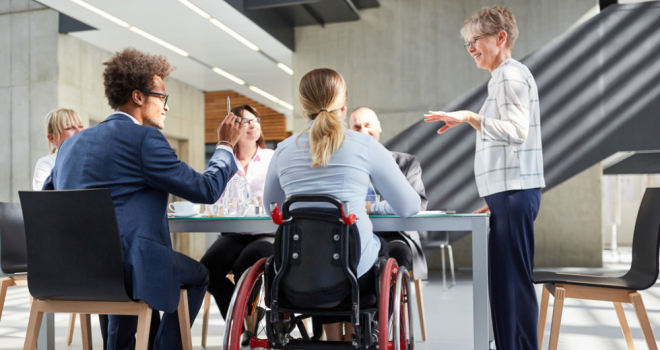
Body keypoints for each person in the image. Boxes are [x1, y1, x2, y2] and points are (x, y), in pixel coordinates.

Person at [43, 48, 243, 350]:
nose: (166, 107)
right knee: (199, 275)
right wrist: (226, 146)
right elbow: (206, 190)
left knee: (122, 269)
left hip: (77, 271)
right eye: (162, 98)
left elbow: (49, 202)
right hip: (129, 268)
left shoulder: (70, 146)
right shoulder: (144, 140)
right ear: (138, 97)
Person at [264, 68, 420, 341]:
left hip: (297, 273)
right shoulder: (365, 145)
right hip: (354, 275)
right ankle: (358, 334)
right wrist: (374, 208)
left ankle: (335, 338)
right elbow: (409, 206)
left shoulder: (283, 150)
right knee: (385, 249)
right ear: (344, 105)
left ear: (303, 108)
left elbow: (272, 209)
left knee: (322, 253)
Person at [424, 7, 545, 350]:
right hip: (506, 194)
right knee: (504, 283)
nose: (471, 48)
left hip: (514, 193)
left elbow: (516, 132)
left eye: (475, 40)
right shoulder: (504, 76)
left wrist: (469, 118)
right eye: (467, 44)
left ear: (500, 37)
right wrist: (493, 198)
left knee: (513, 283)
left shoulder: (508, 74)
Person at [200, 104, 274, 326]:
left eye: (256, 120)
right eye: (245, 121)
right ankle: (239, 324)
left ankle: (251, 326)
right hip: (233, 233)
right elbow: (214, 198)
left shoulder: (271, 158)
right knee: (206, 272)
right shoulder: (224, 161)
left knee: (245, 265)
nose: (253, 124)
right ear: (233, 128)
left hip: (265, 233)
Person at [349, 107, 428, 280]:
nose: (363, 131)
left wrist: (373, 208)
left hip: (396, 235)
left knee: (397, 253)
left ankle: (387, 306)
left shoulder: (406, 163)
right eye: (356, 127)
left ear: (379, 126)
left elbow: (418, 204)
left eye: (367, 124)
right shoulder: (347, 168)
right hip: (356, 235)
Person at [32, 108, 84, 190]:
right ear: (52, 138)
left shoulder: (91, 159)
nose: (79, 131)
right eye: (69, 128)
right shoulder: (46, 164)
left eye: (81, 126)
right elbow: (44, 200)